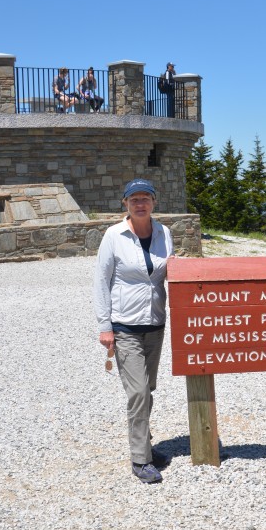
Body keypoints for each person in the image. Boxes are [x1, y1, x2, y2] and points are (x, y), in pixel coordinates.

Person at [93, 179, 175, 484]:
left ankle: (146, 445)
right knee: (138, 391)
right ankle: (141, 459)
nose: (140, 204)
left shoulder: (164, 233)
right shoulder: (114, 235)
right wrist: (105, 326)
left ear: (154, 202)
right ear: (125, 203)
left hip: (155, 322)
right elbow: (101, 281)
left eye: (145, 198)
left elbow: (171, 271)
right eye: (134, 199)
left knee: (147, 388)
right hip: (124, 324)